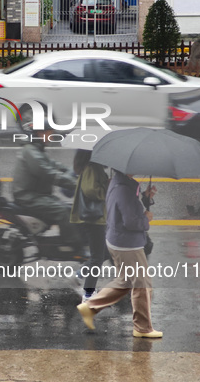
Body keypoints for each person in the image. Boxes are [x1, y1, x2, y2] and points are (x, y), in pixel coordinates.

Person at [76, 170, 162, 338]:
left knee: (125, 281)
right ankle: (142, 327)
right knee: (142, 284)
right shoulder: (123, 189)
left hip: (119, 240)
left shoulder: (120, 183)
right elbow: (130, 221)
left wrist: (145, 197)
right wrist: (146, 219)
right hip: (127, 244)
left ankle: (90, 307)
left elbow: (128, 207)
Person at [12, 125, 84, 257]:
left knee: (68, 208)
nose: (50, 137)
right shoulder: (30, 151)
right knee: (61, 211)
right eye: (48, 133)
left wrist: (73, 172)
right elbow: (47, 172)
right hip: (28, 197)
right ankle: (71, 245)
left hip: (37, 195)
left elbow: (54, 165)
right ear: (39, 133)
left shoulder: (36, 149)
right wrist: (75, 184)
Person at [70, 150, 110, 302]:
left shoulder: (94, 167)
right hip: (93, 220)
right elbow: (90, 190)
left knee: (105, 253)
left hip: (96, 219)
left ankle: (78, 275)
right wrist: (106, 188)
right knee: (97, 258)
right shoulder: (92, 168)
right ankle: (88, 295)